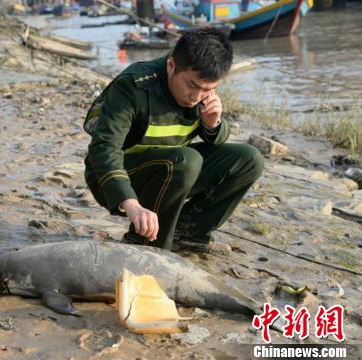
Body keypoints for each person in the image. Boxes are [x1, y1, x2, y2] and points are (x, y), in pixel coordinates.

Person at [83, 29, 264, 252]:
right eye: (192, 86)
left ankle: (188, 233)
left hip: (173, 172)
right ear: (171, 66)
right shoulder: (134, 86)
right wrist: (130, 203)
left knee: (249, 158)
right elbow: (103, 149)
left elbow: (216, 138)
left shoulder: (203, 88)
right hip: (117, 177)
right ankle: (146, 243)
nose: (197, 96)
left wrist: (212, 124)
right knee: (186, 160)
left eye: (208, 89)